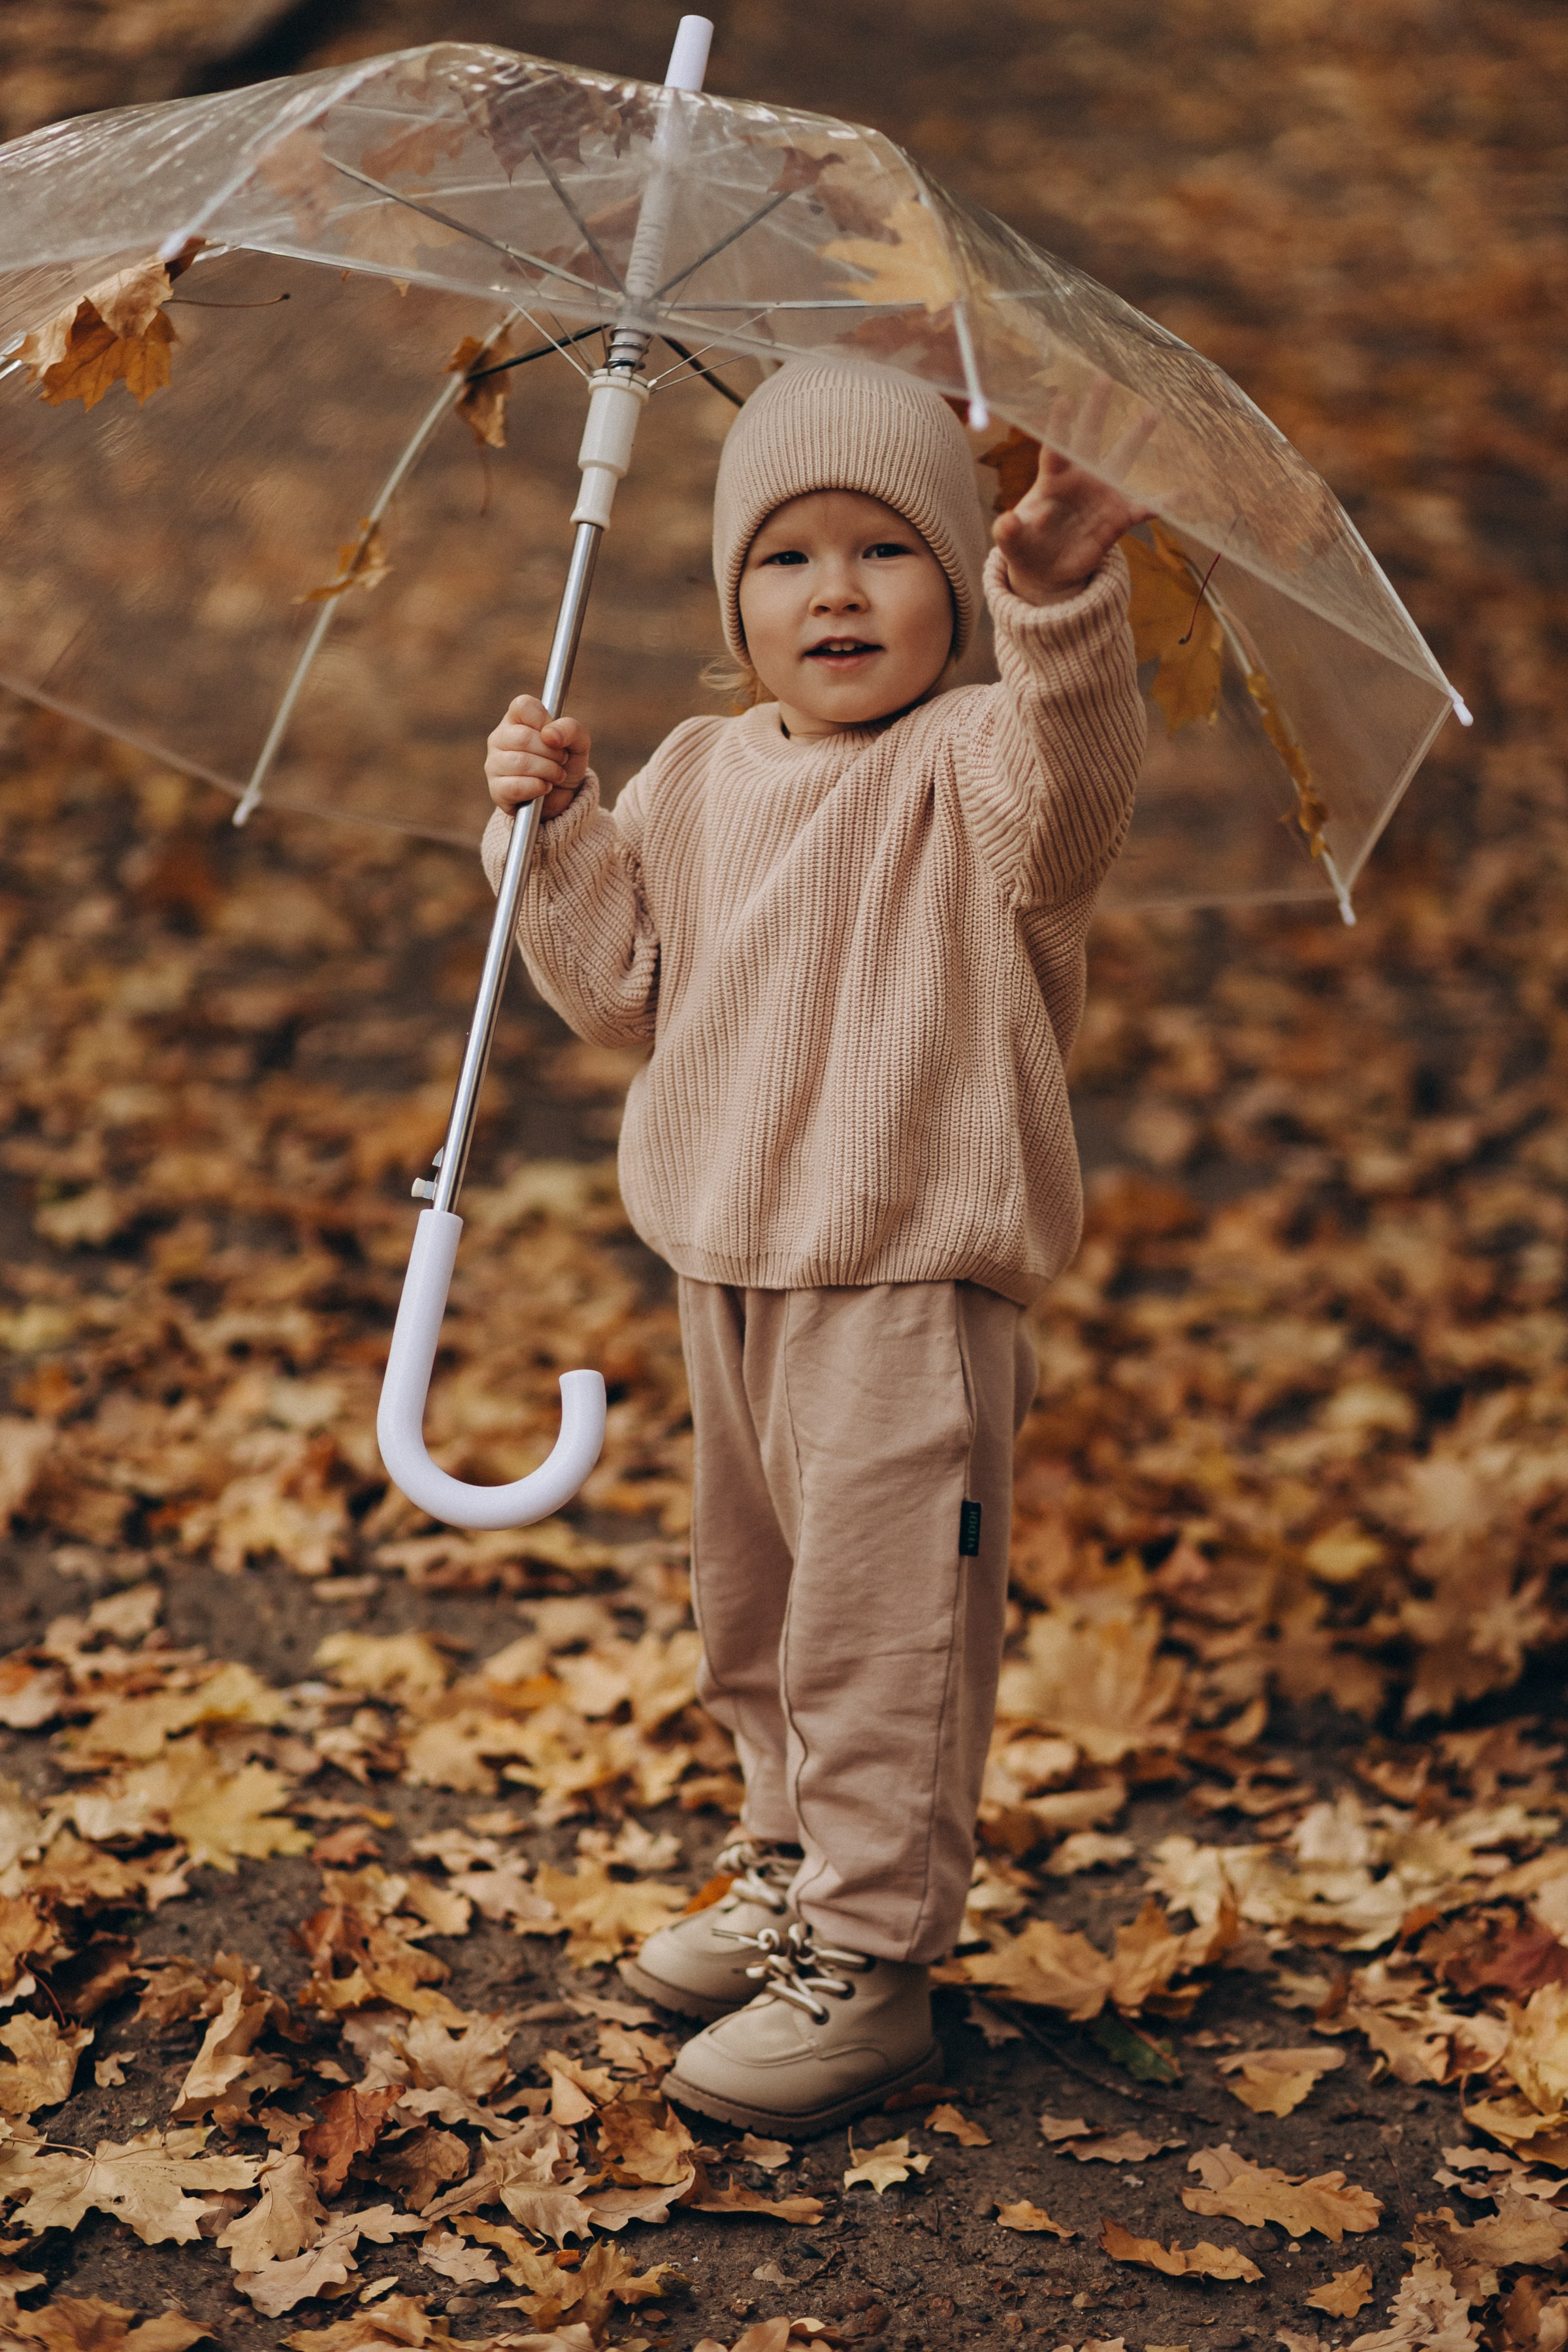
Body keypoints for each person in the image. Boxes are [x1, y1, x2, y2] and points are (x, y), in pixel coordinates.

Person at [482, 360, 1149, 2137]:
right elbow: (617, 992)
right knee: (759, 1609)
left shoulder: (982, 765)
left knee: (883, 1632)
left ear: (951, 575)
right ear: (734, 602)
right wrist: (553, 832)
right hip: (729, 1260)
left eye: (886, 550)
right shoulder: (703, 772)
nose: (836, 592)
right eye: (787, 559)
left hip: (908, 1277)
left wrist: (1061, 594)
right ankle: (790, 1863)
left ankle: (874, 1964)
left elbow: (1082, 777)